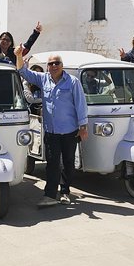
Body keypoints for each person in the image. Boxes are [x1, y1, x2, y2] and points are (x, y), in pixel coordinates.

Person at [15, 46, 88, 207]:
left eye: (57, 63)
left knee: (68, 162)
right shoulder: (43, 79)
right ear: (47, 66)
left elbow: (80, 104)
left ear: (62, 65)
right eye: (51, 64)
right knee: (52, 163)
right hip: (51, 131)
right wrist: (19, 55)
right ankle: (49, 194)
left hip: (70, 131)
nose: (54, 66)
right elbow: (23, 72)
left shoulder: (73, 82)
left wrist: (83, 126)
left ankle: (65, 191)